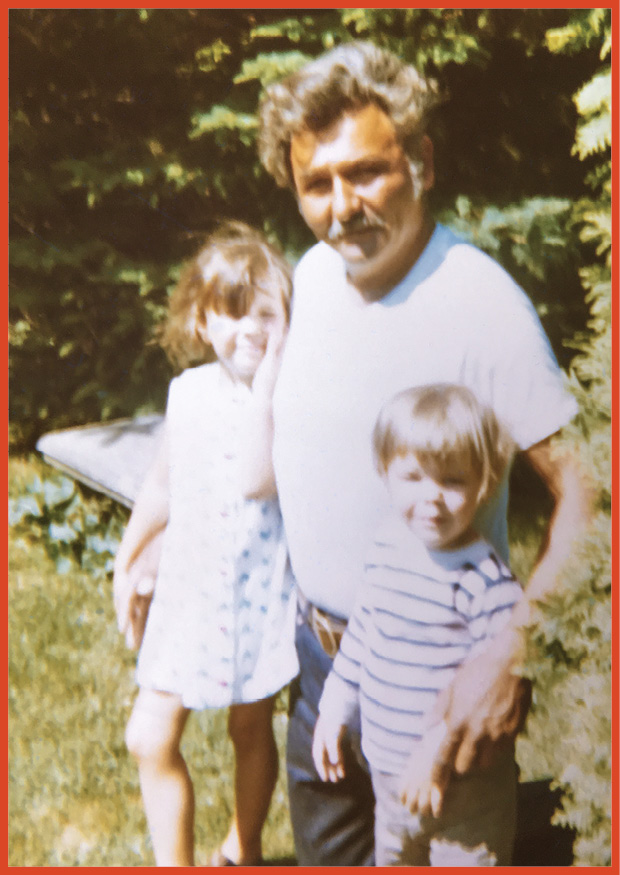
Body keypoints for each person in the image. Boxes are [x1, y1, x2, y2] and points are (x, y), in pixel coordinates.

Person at [256, 41, 593, 865]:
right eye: (316, 184)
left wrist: (509, 653)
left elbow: (595, 494)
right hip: (326, 674)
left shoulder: (483, 305)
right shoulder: (312, 277)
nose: (343, 207)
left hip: (445, 678)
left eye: (366, 172)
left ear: (422, 161)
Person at [112, 221, 298, 867]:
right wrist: (128, 555)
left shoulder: (288, 400)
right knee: (148, 735)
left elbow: (258, 477)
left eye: (268, 314)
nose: (251, 328)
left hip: (257, 598)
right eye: (234, 312)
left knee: (250, 727)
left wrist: (270, 385)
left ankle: (242, 848)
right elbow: (163, 484)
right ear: (202, 321)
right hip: (190, 599)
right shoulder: (188, 392)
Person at [313, 384, 524, 866]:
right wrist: (333, 708)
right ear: (385, 472)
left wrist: (437, 753)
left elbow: (495, 683)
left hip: (463, 790)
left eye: (453, 481)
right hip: (390, 779)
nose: (432, 498)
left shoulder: (484, 580)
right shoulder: (387, 550)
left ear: (484, 484)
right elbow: (364, 635)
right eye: (413, 477)